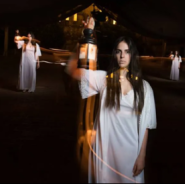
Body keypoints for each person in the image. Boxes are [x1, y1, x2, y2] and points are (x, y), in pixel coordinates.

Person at [66, 36, 157, 183]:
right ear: (114, 54)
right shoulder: (104, 79)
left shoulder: (144, 87)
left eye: (127, 52)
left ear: (132, 55)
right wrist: (86, 40)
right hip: (106, 152)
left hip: (131, 153)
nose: (122, 56)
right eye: (119, 51)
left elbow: (146, 125)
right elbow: (74, 71)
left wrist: (142, 156)